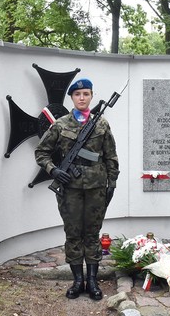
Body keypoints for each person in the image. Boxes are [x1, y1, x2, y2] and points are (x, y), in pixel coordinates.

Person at [35, 78, 119, 301]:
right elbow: (41, 153)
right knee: (73, 233)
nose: (82, 98)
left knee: (92, 233)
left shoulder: (101, 124)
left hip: (96, 187)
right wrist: (53, 170)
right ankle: (77, 281)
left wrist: (112, 183)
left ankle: (92, 281)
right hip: (69, 187)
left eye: (86, 94)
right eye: (78, 94)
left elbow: (111, 156)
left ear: (91, 96)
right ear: (72, 97)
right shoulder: (61, 124)